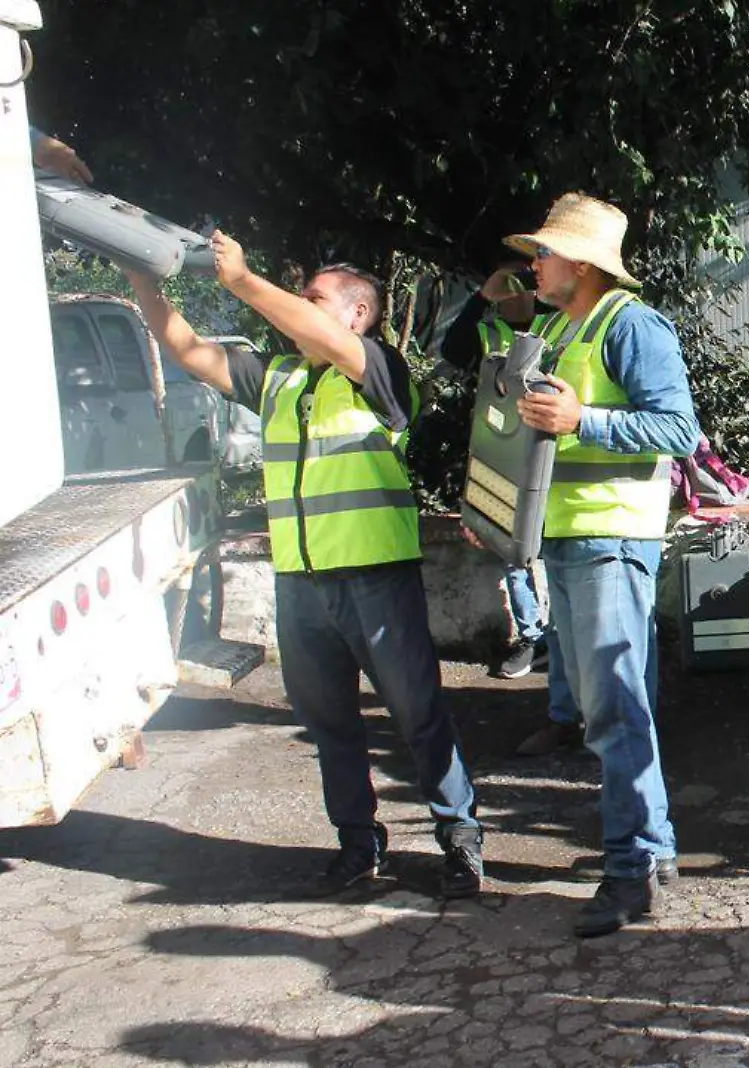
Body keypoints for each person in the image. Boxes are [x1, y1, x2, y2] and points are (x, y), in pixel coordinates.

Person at [122, 239, 484, 900]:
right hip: (302, 585)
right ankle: (357, 842)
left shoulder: (377, 367)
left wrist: (241, 278)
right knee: (331, 723)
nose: (295, 311)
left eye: (313, 299)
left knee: (418, 714)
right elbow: (187, 349)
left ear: (358, 316)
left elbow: (315, 331)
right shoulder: (280, 379)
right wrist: (143, 280)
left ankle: (459, 838)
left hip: (376, 577)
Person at [504, 193, 701, 938]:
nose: (536, 263)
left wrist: (583, 418)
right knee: (620, 709)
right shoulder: (559, 326)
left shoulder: (632, 324)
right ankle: (652, 850)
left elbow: (679, 427)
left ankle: (629, 874)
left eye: (545, 252)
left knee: (614, 714)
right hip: (575, 543)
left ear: (580, 263)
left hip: (612, 543)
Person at [439, 261, 583, 755]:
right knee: (514, 557)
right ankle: (532, 638)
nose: (518, 295)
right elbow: (452, 350)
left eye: (524, 285)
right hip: (504, 461)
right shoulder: (491, 331)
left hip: (553, 469)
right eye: (510, 289)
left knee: (563, 587)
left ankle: (573, 705)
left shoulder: (556, 325)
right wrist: (482, 295)